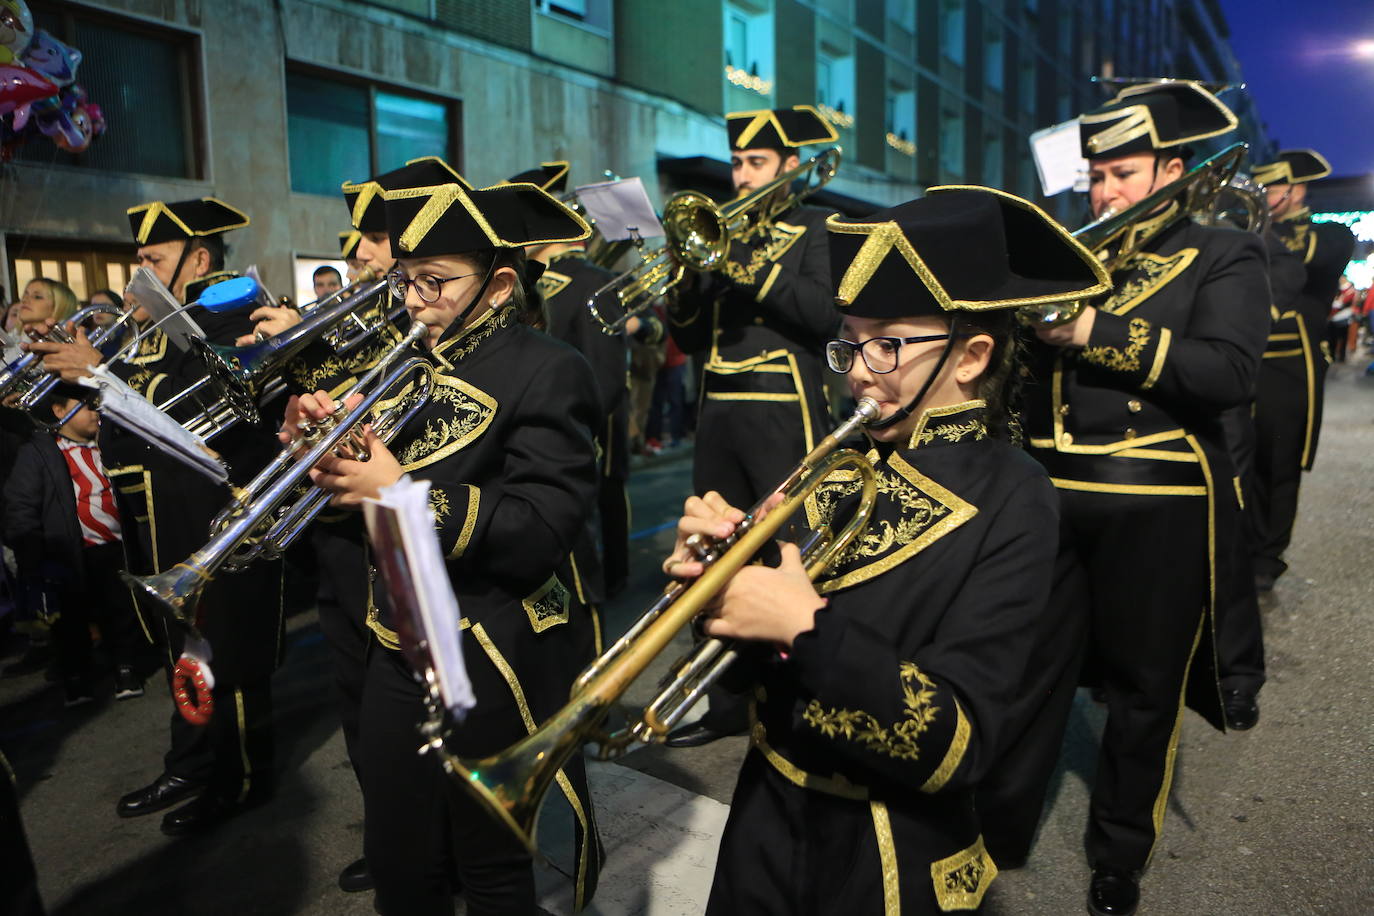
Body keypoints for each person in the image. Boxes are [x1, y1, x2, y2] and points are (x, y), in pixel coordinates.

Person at [663, 187, 1108, 913]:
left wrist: (803, 627)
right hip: (764, 820)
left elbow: (958, 745)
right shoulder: (845, 461)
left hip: (885, 852)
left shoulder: (1016, 494)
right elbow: (747, 674)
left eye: (887, 344)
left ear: (971, 356)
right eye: (850, 343)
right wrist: (718, 585)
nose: (859, 372)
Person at [290, 158, 604, 915]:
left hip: (487, 648)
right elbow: (355, 508)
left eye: (434, 282)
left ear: (498, 284)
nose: (413, 301)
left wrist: (398, 493)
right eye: (407, 280)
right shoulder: (403, 366)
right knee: (399, 858)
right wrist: (321, 457)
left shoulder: (549, 369)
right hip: (396, 637)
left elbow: (539, 531)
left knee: (490, 865)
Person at [1000, 81, 1271, 916]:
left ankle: (1118, 852)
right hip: (1050, 496)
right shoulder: (1072, 253)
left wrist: (1093, 332)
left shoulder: (1222, 252)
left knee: (1144, 691)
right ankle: (996, 824)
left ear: (1171, 172)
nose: (1104, 191)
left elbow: (1228, 372)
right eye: (1096, 175)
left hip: (1157, 500)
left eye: (1122, 173)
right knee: (1026, 670)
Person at [30, 197, 285, 838]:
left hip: (217, 514)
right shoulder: (158, 325)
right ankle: (192, 761)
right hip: (160, 514)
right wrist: (85, 374)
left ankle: (241, 776)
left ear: (198, 259)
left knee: (228, 650)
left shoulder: (229, 314)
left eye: (153, 258)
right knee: (186, 649)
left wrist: (100, 374)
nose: (137, 272)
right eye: (137, 258)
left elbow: (188, 411)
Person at [664, 104, 842, 748]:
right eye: (737, 162)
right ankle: (726, 701)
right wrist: (685, 283)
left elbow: (823, 314)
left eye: (757, 162)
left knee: (792, 547)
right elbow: (689, 337)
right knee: (714, 550)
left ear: (790, 166)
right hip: (718, 410)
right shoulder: (719, 231)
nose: (742, 175)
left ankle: (802, 694)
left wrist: (738, 262)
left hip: (784, 409)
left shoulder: (817, 227)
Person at [515, 159, 662, 601]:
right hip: (586, 415)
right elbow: (611, 369)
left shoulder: (580, 282)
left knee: (603, 496)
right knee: (603, 495)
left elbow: (613, 368)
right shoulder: (584, 281)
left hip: (579, 415)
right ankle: (607, 578)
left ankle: (607, 578)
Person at [1249, 149, 1357, 592]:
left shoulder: (1329, 235)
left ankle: (1267, 556)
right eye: (1259, 186)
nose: (1263, 194)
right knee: (1238, 457)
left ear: (1297, 190)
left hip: (1290, 367)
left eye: (1272, 187)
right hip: (1242, 359)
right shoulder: (1249, 229)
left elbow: (1300, 253)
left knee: (1278, 462)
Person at [2, 386, 145, 705]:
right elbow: (21, 503)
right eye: (84, 406)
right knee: (70, 620)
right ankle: (77, 678)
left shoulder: (108, 442)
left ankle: (125, 667)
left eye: (95, 405)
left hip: (115, 545)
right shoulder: (40, 451)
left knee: (120, 611)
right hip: (68, 549)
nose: (95, 412)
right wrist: (31, 554)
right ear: (58, 411)